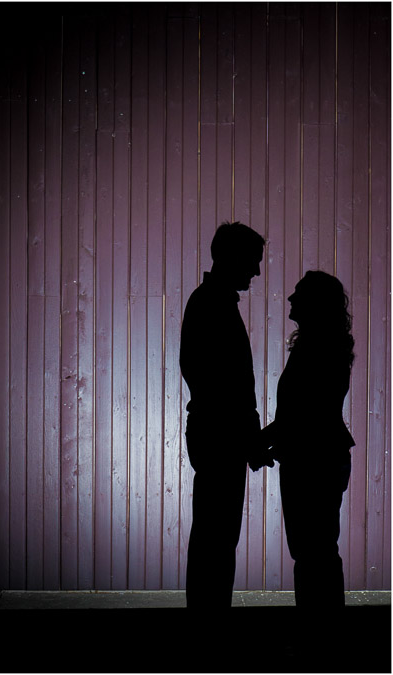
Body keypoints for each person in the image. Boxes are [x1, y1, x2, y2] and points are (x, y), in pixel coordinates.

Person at [179, 221, 272, 608]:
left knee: (212, 536)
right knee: (217, 538)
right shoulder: (214, 305)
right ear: (232, 258)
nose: (257, 270)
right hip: (222, 438)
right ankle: (210, 623)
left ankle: (208, 619)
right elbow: (228, 388)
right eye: (253, 261)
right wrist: (249, 438)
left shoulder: (207, 301)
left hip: (216, 434)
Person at [262, 271, 355, 607]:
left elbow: (302, 413)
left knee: (312, 553)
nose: (290, 298)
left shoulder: (316, 348)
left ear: (314, 303)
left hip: (312, 461)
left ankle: (318, 637)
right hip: (321, 456)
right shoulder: (324, 345)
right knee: (318, 551)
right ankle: (321, 637)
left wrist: (261, 440)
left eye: (299, 293)